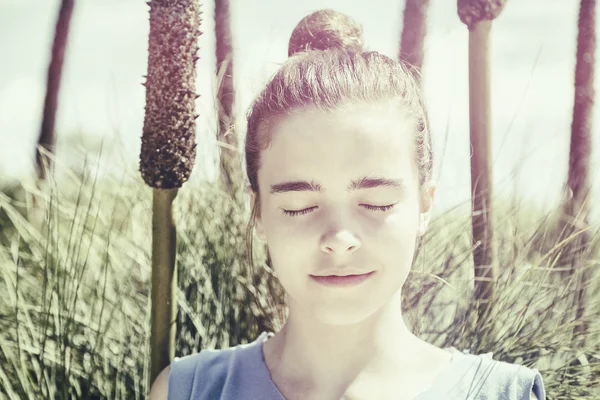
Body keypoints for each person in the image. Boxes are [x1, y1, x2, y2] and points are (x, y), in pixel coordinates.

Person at [149, 9, 546, 400]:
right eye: (299, 205)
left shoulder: (505, 393)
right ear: (260, 213)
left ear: (425, 205)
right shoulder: (187, 390)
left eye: (376, 202)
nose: (339, 238)